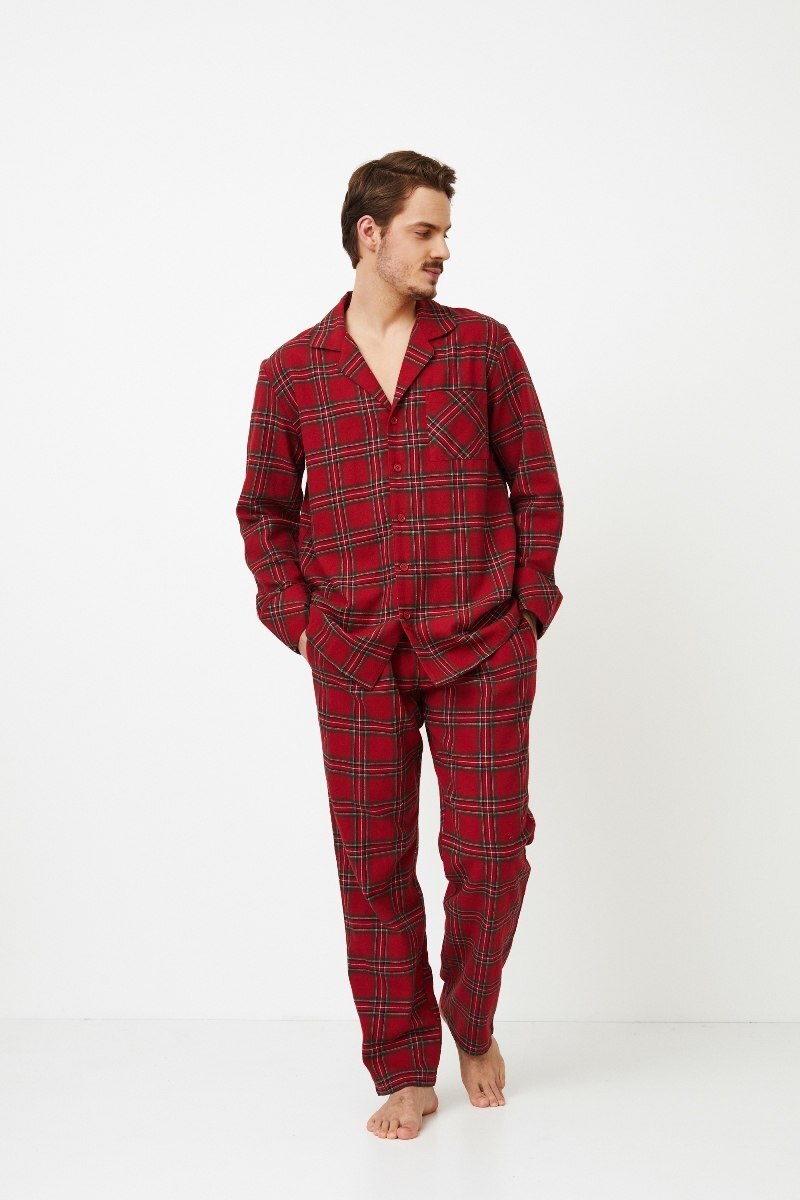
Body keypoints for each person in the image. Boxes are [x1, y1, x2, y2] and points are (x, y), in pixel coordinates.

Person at [235, 150, 564, 1140]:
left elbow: (536, 485)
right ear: (368, 234)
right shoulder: (292, 372)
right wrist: (297, 621)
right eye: (425, 231)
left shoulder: (483, 349)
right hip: (352, 653)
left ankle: (471, 1018)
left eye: (445, 231)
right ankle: (404, 1066)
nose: (442, 249)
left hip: (481, 644)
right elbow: (264, 512)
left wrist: (527, 609)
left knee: (491, 855)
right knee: (373, 868)